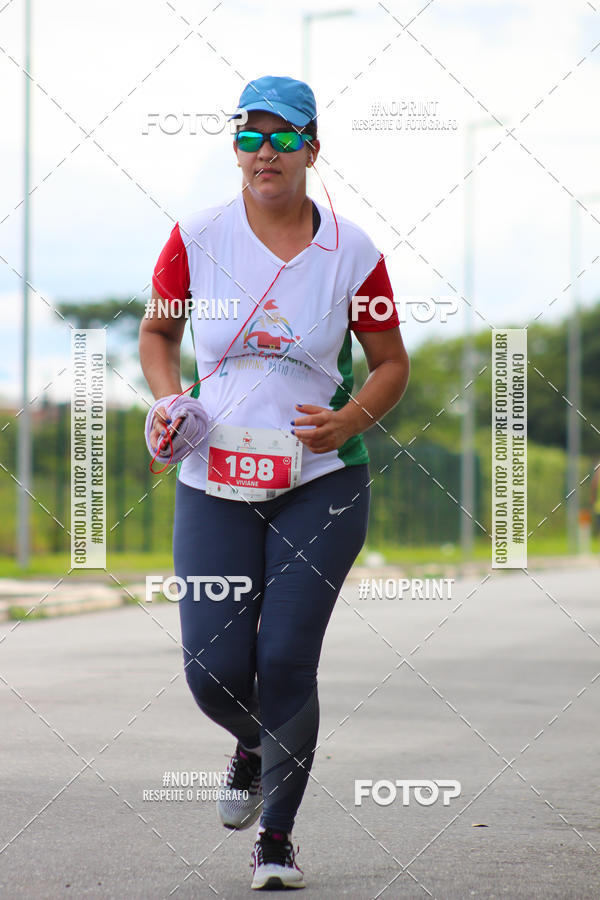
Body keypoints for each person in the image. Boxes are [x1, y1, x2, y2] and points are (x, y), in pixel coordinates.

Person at [139, 74, 409, 891]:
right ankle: (255, 745)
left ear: (311, 149)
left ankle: (278, 840)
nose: (266, 151)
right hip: (213, 476)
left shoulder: (353, 252)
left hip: (321, 480)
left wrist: (349, 420)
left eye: (284, 137)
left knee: (287, 659)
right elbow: (158, 333)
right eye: (250, 136)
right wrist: (169, 401)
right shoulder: (197, 235)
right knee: (212, 671)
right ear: (235, 149)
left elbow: (390, 364)